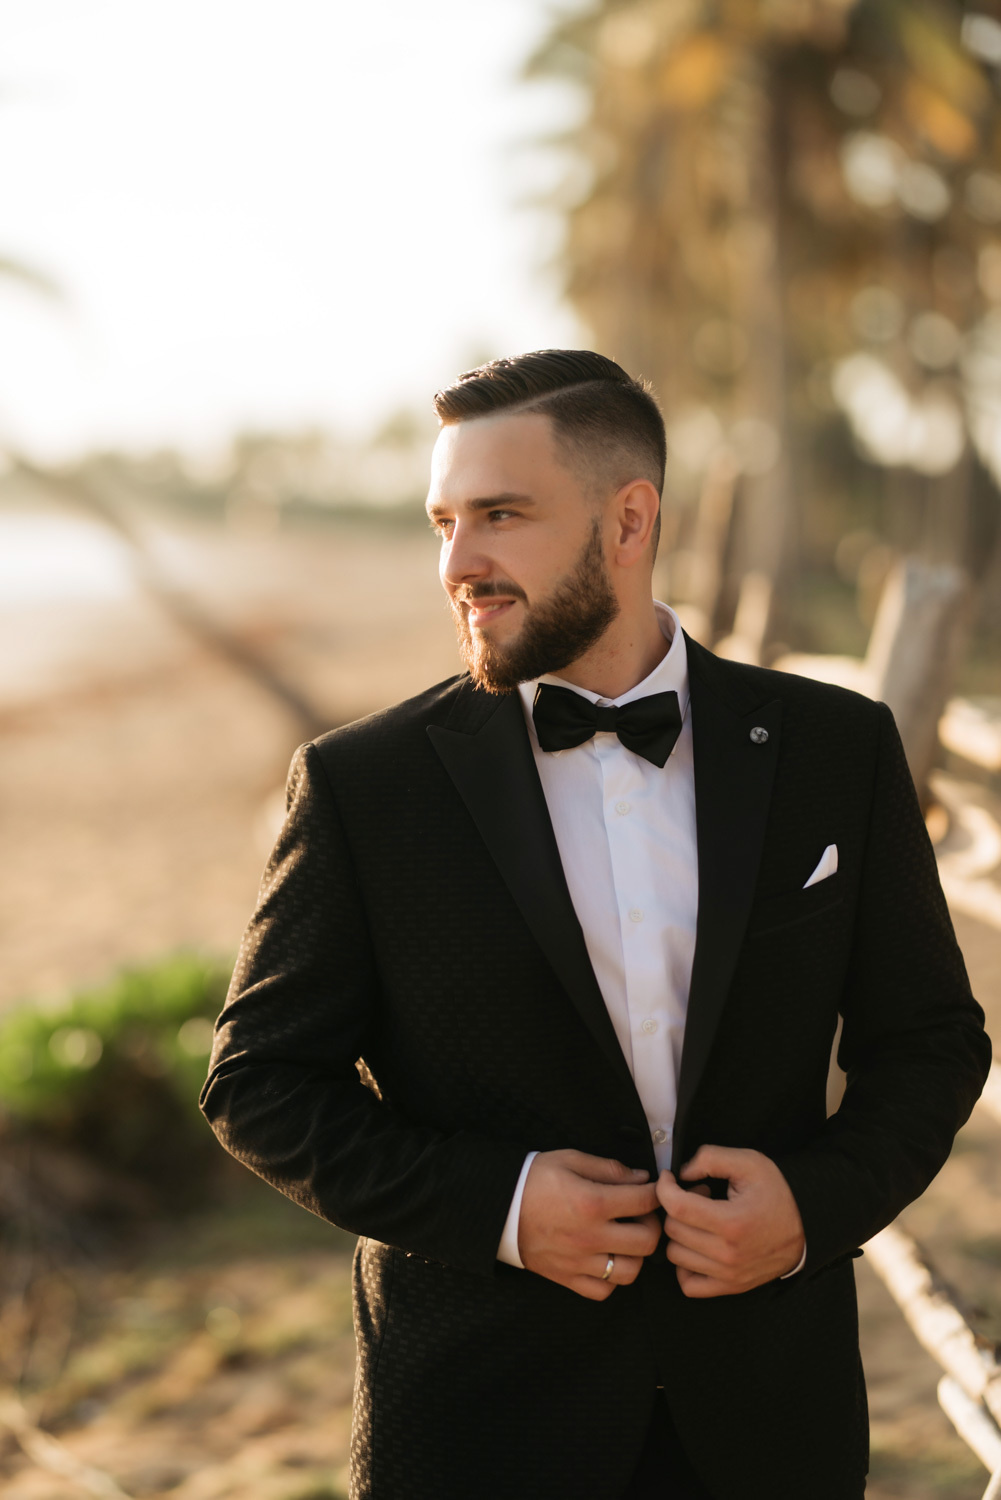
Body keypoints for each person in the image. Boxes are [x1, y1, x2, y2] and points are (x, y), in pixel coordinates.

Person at [200, 349, 991, 1500]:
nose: (456, 564)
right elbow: (259, 1085)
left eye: (499, 516)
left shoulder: (836, 749)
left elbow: (930, 1042)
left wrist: (813, 1209)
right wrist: (507, 1210)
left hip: (769, 1421)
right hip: (476, 1424)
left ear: (630, 519)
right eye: (442, 521)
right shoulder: (363, 787)